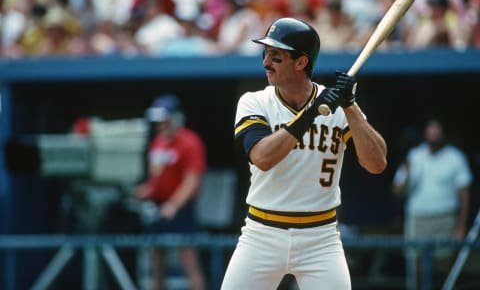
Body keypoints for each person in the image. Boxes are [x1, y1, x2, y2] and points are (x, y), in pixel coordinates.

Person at [221, 17, 387, 289]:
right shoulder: (255, 101)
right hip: (262, 233)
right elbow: (262, 158)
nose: (265, 62)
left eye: (276, 56)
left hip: (320, 238)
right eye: (266, 53)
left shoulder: (337, 106)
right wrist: (311, 114)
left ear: (301, 62)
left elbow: (377, 163)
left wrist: (350, 106)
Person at [134, 94, 206, 290]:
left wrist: (173, 205)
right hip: (157, 207)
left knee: (189, 261)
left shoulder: (190, 141)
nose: (160, 124)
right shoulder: (157, 142)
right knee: (156, 263)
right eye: (157, 121)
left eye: (164, 119)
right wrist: (141, 192)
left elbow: (192, 180)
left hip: (181, 209)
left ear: (175, 118)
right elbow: (155, 179)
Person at [393, 118, 473, 288]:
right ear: (425, 133)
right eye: (430, 129)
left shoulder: (455, 157)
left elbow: (465, 193)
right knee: (417, 268)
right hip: (418, 218)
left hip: (444, 218)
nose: (434, 133)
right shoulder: (414, 156)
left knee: (444, 266)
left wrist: (461, 226)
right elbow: (397, 191)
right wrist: (406, 172)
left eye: (437, 129)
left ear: (443, 133)